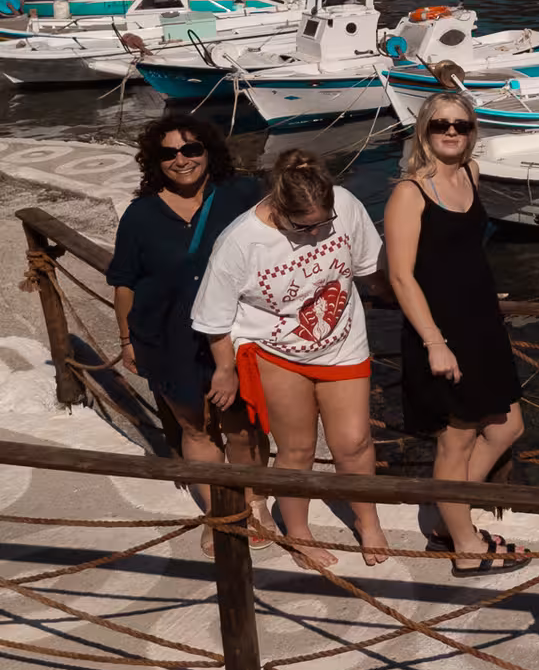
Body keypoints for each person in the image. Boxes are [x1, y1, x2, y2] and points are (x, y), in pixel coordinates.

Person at [193, 150, 388, 570]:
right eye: (304, 227)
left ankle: (368, 519)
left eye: (324, 223)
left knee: (354, 442)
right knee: (297, 448)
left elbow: (370, 268)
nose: (316, 232)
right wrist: (225, 369)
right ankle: (298, 533)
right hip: (276, 352)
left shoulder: (345, 205)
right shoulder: (240, 241)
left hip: (342, 343)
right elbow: (214, 318)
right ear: (278, 207)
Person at [108, 117, 269, 556]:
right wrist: (126, 340)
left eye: (191, 149)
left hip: (234, 334)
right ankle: (220, 512)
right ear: (154, 161)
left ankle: (255, 504)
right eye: (168, 153)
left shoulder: (242, 196)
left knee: (242, 427)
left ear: (208, 151)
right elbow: (125, 283)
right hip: (165, 337)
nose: (181, 160)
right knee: (194, 428)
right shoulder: (140, 215)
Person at [387, 92, 528, 577]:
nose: (451, 132)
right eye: (440, 124)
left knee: (507, 427)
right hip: (441, 331)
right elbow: (400, 276)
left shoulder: (471, 173)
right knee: (457, 439)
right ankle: (465, 546)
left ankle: (446, 517)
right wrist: (434, 342)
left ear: (472, 132)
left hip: (482, 324)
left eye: (461, 125)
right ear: (423, 130)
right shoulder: (409, 193)